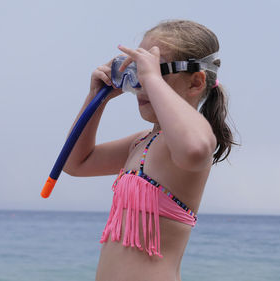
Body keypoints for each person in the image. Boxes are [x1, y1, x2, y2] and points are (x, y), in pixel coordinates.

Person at [62, 20, 235, 281]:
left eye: (149, 71)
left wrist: (151, 78)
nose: (139, 83)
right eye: (135, 70)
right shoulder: (141, 142)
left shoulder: (189, 141)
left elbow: (196, 149)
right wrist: (96, 98)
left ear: (195, 83)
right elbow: (76, 163)